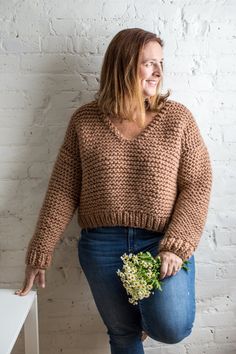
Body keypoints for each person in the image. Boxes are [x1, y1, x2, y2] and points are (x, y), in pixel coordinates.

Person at [16, 28, 213, 354]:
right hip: (102, 246)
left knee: (172, 326)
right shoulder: (85, 121)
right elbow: (64, 189)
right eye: (149, 64)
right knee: (122, 335)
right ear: (123, 65)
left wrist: (176, 245)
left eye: (161, 63)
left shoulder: (177, 119)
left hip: (159, 244)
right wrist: (41, 250)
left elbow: (198, 183)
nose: (159, 72)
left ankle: (147, 319)